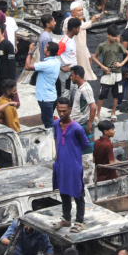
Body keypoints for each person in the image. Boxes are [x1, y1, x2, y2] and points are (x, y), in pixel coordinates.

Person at [52, 97, 89, 230]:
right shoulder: (56, 124)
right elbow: (56, 138)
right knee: (63, 192)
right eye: (59, 111)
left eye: (64, 111)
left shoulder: (77, 128)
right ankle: (66, 218)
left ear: (69, 110)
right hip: (61, 165)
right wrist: (58, 154)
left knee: (78, 193)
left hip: (74, 167)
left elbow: (85, 144)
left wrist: (72, 153)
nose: (61, 114)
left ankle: (79, 222)